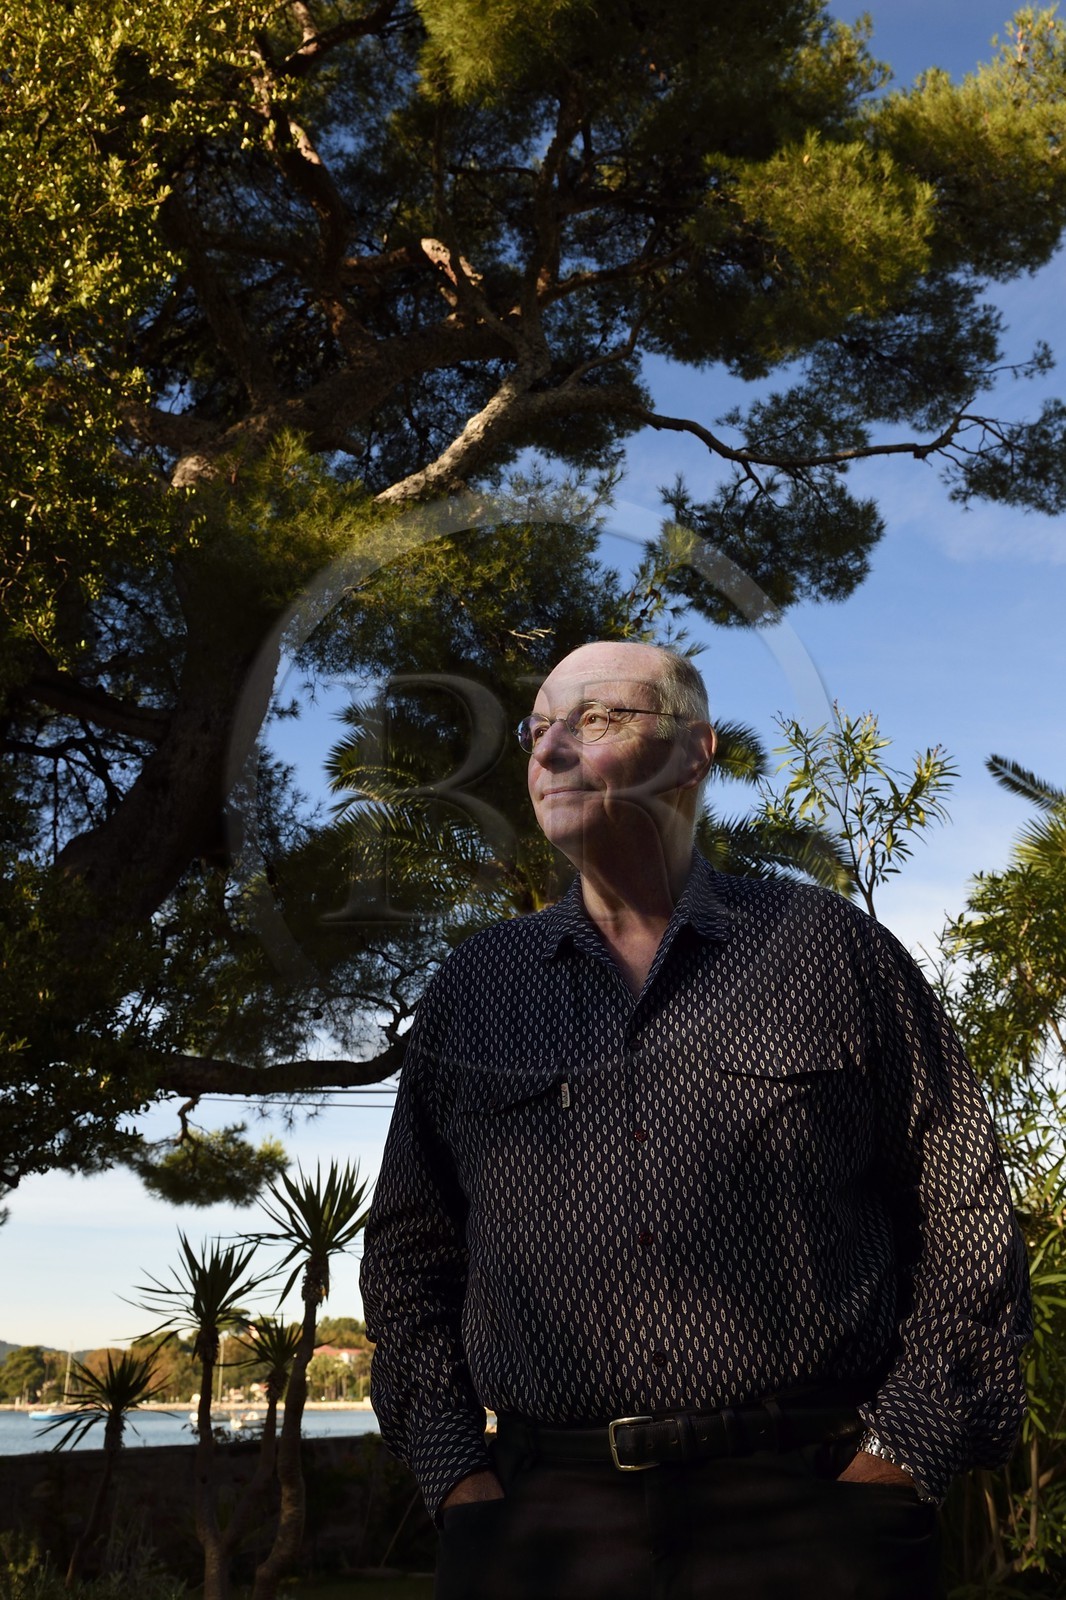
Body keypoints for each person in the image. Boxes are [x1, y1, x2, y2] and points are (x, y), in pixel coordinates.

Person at [359, 640, 1030, 1600]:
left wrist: (899, 1465)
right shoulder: (475, 988)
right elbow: (408, 1253)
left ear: (694, 751)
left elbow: (964, 1212)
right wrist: (457, 1480)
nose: (550, 751)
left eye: (596, 720)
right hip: (541, 1529)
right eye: (537, 728)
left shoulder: (834, 952)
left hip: (815, 1515)